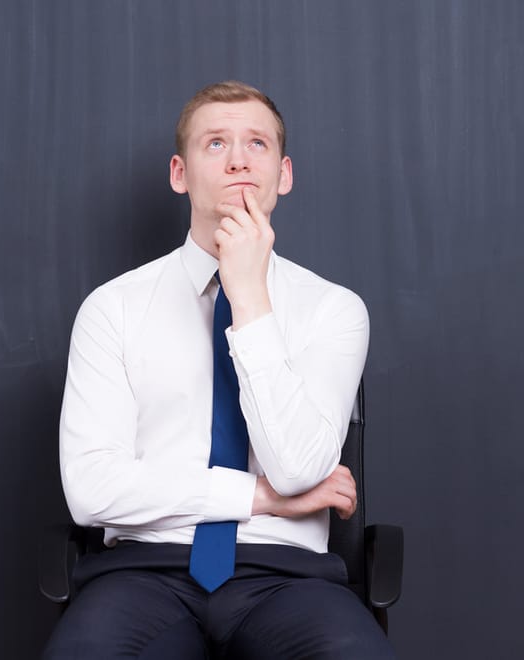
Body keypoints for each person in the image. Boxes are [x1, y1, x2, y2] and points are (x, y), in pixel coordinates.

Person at [43, 81, 396, 659]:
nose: (237, 159)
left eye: (257, 143)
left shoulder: (334, 309)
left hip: (289, 578)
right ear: (180, 174)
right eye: (215, 144)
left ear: (284, 176)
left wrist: (249, 295)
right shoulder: (113, 308)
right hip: (143, 574)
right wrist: (261, 496)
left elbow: (299, 467)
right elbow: (91, 491)